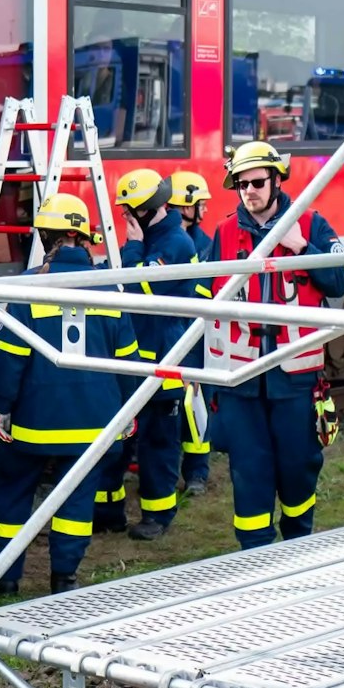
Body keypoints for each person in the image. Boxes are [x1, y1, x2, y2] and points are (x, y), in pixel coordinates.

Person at [0, 194, 141, 596]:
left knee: (11, 497)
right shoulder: (110, 289)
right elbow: (128, 361)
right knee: (75, 502)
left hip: (33, 423)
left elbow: (9, 360)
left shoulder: (27, 288)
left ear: (44, 236)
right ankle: (64, 578)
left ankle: (4, 579)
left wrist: (3, 407)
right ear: (82, 236)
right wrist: (128, 411)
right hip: (94, 424)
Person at [207, 141, 344, 549]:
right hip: (241, 381)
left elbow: (339, 281)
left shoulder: (312, 224)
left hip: (296, 378)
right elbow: (204, 302)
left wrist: (301, 248)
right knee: (248, 471)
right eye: (240, 184)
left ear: (276, 180)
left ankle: (298, 547)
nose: (248, 191)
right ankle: (254, 558)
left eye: (256, 182)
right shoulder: (222, 232)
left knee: (298, 468)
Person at [94, 169, 200, 541]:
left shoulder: (176, 244)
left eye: (129, 211)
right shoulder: (154, 238)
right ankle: (108, 510)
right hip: (133, 354)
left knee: (158, 440)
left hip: (164, 357)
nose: (124, 218)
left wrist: (134, 248)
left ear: (148, 210)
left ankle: (159, 515)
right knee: (118, 434)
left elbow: (136, 287)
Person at [171, 171, 218, 495]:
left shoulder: (206, 244)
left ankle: (197, 475)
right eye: (199, 203)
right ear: (183, 206)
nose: (203, 209)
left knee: (196, 408)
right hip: (170, 336)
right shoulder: (169, 242)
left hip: (198, 338)